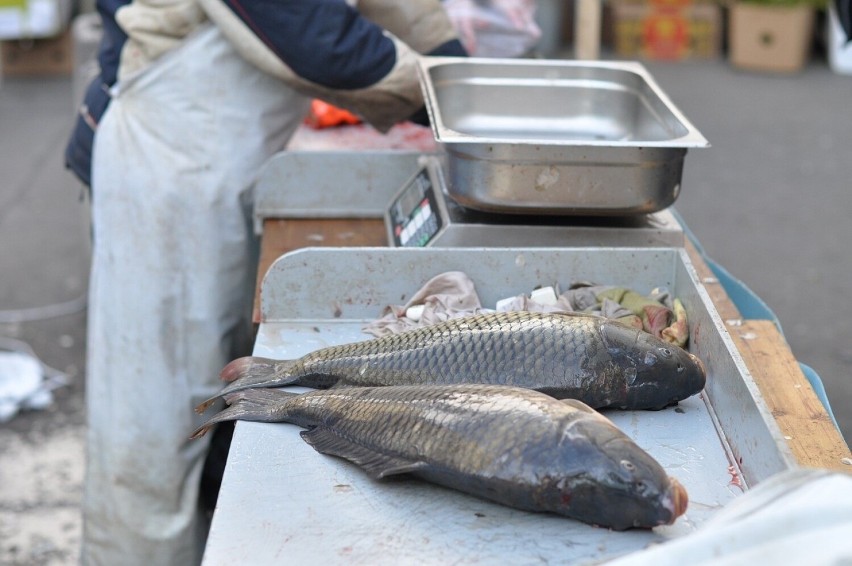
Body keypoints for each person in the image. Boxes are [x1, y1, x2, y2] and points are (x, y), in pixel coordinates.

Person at [63, 1, 466, 564]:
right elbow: (304, 28)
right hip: (168, 162)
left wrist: (455, 61)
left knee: (216, 402)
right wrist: (454, 96)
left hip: (229, 159)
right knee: (156, 433)